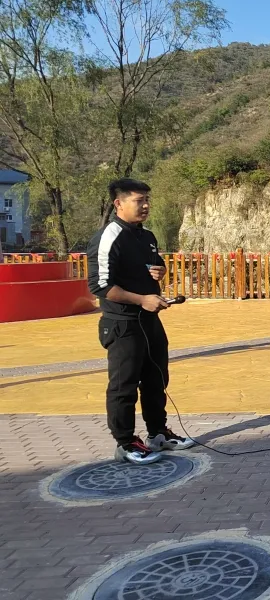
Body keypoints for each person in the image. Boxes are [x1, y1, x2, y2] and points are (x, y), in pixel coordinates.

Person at [87, 179, 195, 465]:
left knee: (156, 379)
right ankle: (125, 443)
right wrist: (141, 299)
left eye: (147, 200)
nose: (146, 205)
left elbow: (153, 265)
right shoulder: (108, 237)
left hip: (149, 321)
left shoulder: (146, 235)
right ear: (118, 203)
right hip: (122, 323)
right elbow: (99, 285)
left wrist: (160, 272)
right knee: (123, 386)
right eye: (139, 200)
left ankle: (158, 433)